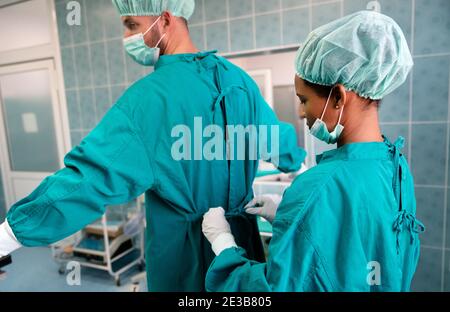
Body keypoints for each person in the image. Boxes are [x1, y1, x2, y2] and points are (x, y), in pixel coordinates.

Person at [0, 0, 306, 291]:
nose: (127, 37)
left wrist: (10, 233)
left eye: (132, 25)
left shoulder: (149, 101)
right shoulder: (239, 82)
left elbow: (87, 181)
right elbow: (282, 148)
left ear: (166, 19)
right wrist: (299, 166)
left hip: (184, 260)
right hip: (241, 252)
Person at [202, 10, 425, 292]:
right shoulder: (395, 167)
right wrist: (293, 218)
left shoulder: (320, 186)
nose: (300, 112)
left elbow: (272, 290)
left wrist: (223, 246)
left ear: (339, 97)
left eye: (304, 99)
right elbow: (359, 250)